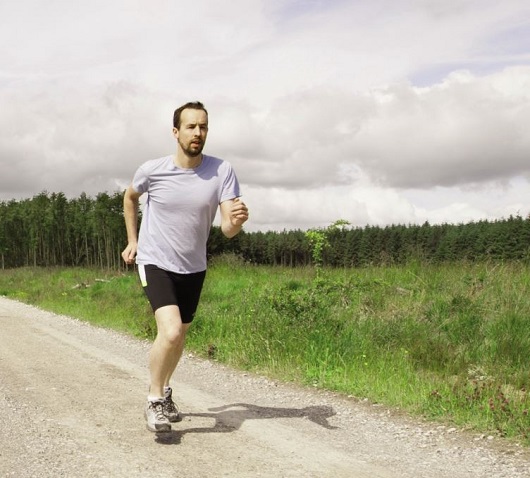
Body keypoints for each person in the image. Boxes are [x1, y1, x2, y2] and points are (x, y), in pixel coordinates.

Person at [121, 101, 249, 432]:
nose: (198, 133)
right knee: (171, 331)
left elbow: (227, 229)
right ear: (176, 132)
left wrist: (236, 221)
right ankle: (154, 400)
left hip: (193, 266)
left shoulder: (221, 170)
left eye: (203, 127)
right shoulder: (153, 170)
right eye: (191, 127)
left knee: (179, 339)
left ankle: (163, 391)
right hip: (155, 261)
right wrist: (133, 241)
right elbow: (130, 198)